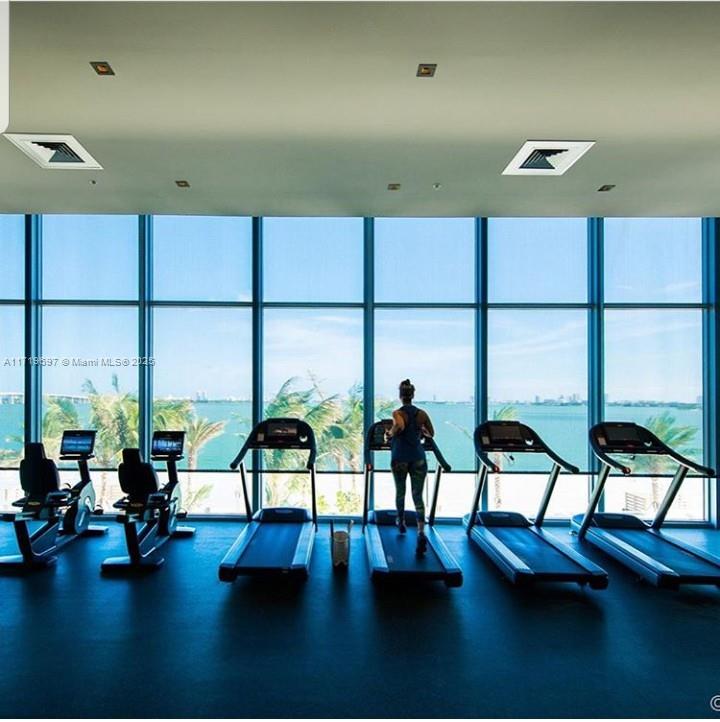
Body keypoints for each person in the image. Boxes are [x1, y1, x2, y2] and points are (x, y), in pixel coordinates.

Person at [386, 379, 435, 556]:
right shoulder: (422, 414)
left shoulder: (397, 413)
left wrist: (389, 433)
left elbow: (399, 425)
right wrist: (420, 431)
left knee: (400, 492)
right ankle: (421, 531)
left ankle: (401, 523)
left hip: (400, 457)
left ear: (400, 396)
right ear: (413, 395)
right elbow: (431, 433)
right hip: (418, 458)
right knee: (418, 496)